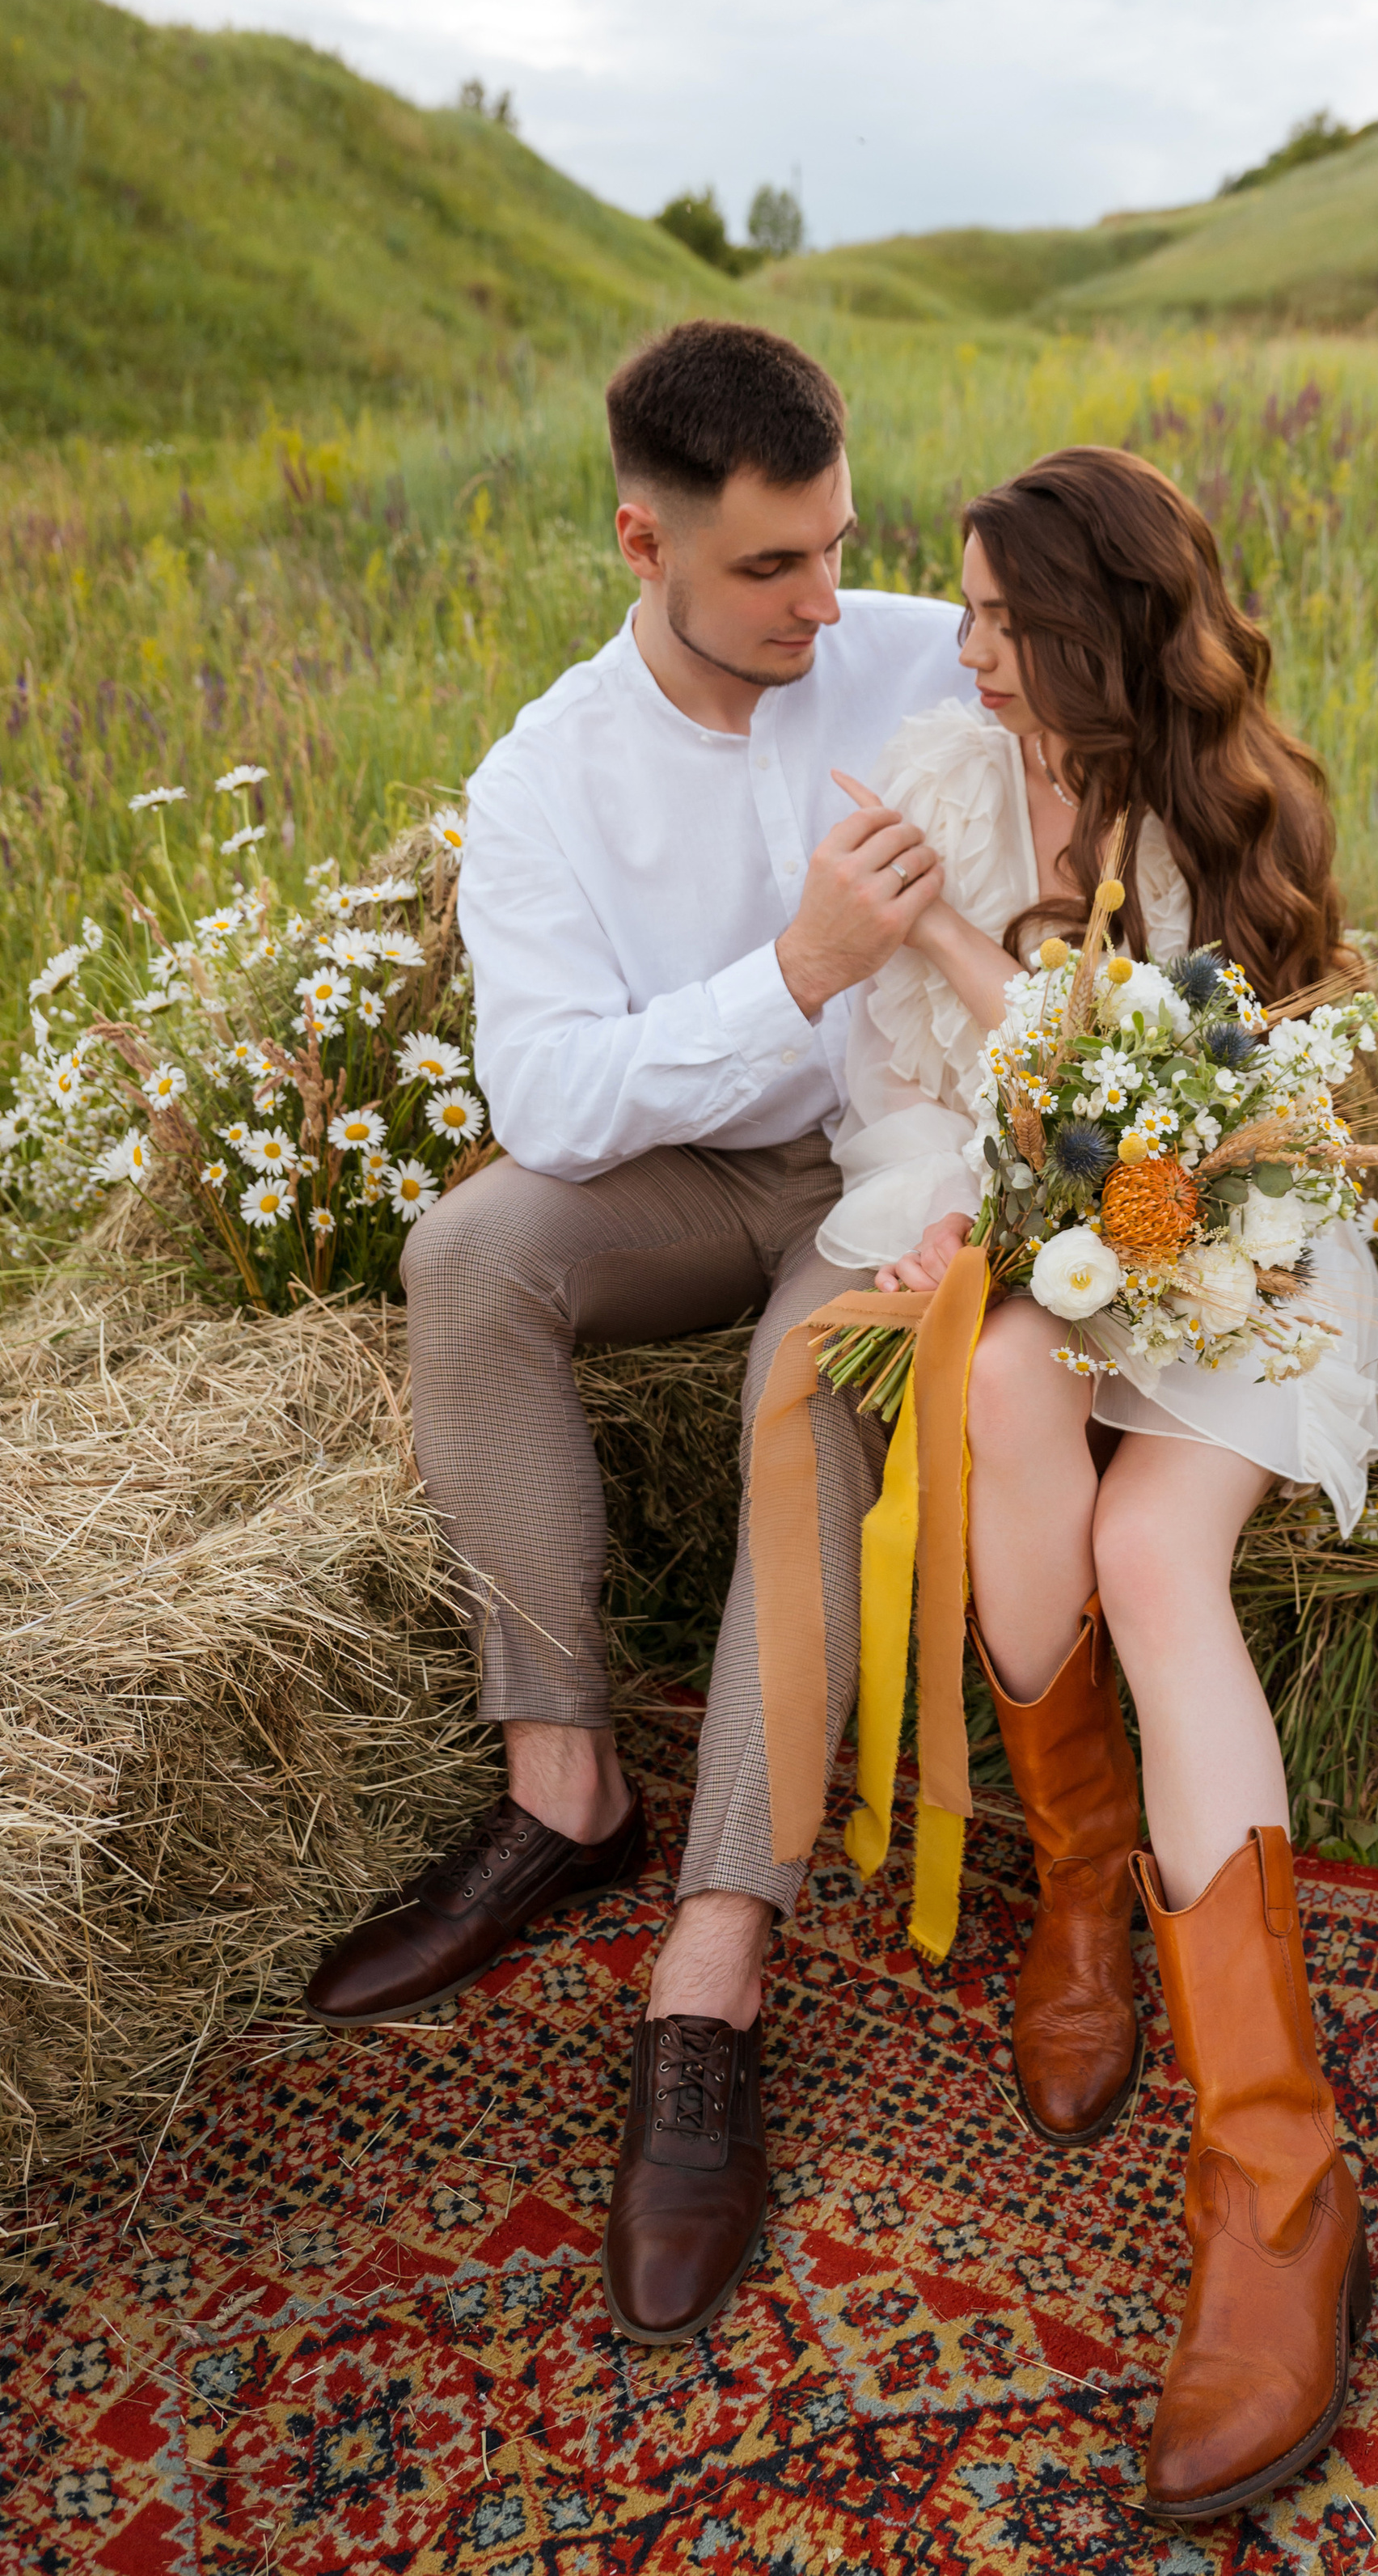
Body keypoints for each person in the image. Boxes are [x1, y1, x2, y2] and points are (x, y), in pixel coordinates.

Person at [302, 317, 969, 2345]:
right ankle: (565, 1785)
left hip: (895, 1168)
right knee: (468, 1251)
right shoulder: (544, 779)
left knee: (798, 1392)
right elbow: (553, 1103)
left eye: (835, 543)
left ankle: (713, 1956)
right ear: (640, 541)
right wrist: (793, 971)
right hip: (688, 1174)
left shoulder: (924, 655)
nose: (820, 600)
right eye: (769, 564)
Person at [816, 444, 1378, 2523]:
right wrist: (932, 1220)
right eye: (959, 611)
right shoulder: (946, 781)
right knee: (995, 1376)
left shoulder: (1220, 808)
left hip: (1222, 1231)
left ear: (1100, 631)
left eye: (999, 618)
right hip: (1035, 1225)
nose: (964, 649)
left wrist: (967, 949)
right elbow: (908, 1087)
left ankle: (1276, 2175)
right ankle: (1077, 1893)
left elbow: (1167, 1105)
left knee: (1154, 1555)